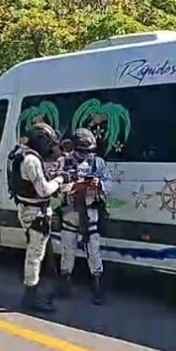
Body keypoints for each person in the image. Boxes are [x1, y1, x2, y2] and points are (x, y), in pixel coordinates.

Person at [7, 122, 69, 313]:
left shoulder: (17, 153)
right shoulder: (31, 160)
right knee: (35, 255)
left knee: (42, 252)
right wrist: (60, 180)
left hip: (25, 207)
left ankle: (50, 286)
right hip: (36, 212)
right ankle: (30, 297)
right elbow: (43, 190)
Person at [55, 128, 114, 305]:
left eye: (88, 151)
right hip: (70, 211)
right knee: (68, 249)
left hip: (90, 212)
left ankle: (98, 287)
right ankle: (64, 283)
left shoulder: (98, 163)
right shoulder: (63, 162)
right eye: (82, 151)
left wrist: (99, 184)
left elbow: (110, 185)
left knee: (94, 250)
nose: (85, 155)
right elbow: (55, 185)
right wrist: (71, 187)